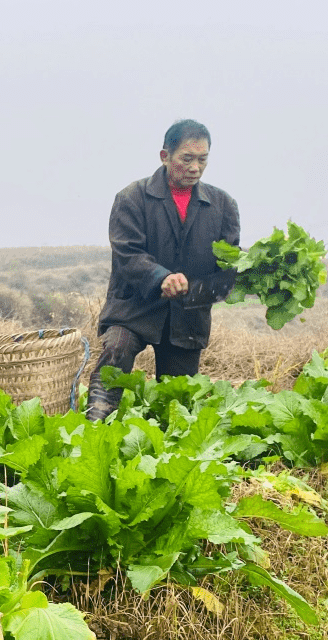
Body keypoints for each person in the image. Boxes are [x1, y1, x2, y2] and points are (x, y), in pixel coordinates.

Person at [85, 119, 240, 421]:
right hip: (134, 308)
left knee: (176, 404)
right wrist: (161, 278)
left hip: (187, 316)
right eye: (187, 158)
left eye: (202, 159)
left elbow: (227, 267)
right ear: (165, 156)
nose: (195, 167)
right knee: (116, 351)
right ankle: (92, 430)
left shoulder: (223, 206)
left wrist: (255, 271)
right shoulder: (132, 198)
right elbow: (127, 254)